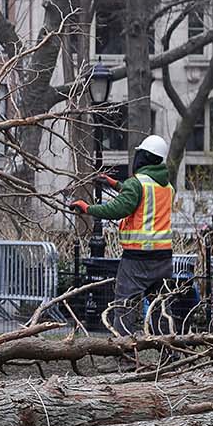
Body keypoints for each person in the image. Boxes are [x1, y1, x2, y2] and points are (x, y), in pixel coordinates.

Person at [72, 134, 174, 330]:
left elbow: (118, 209)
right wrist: (114, 183)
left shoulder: (138, 183)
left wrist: (87, 208)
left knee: (124, 305)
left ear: (143, 156)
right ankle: (169, 351)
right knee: (160, 306)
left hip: (137, 259)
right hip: (163, 258)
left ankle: (124, 351)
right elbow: (139, 199)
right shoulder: (166, 186)